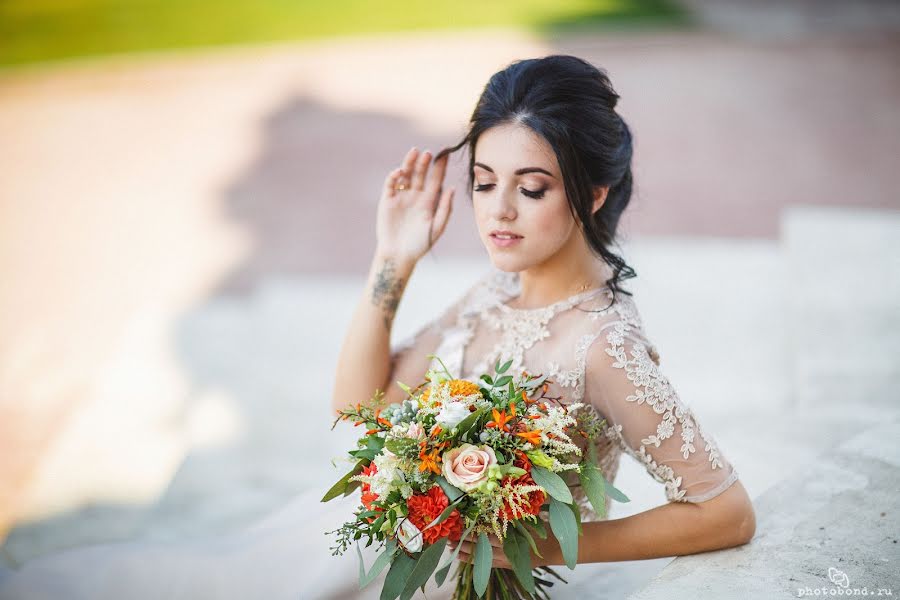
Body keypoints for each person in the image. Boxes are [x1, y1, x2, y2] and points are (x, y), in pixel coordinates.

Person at [0, 55, 755, 600]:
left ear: (591, 196)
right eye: (484, 183)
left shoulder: (604, 345)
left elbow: (725, 510)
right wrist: (391, 262)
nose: (496, 212)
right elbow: (360, 411)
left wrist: (545, 542)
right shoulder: (497, 289)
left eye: (531, 189)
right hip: (363, 552)